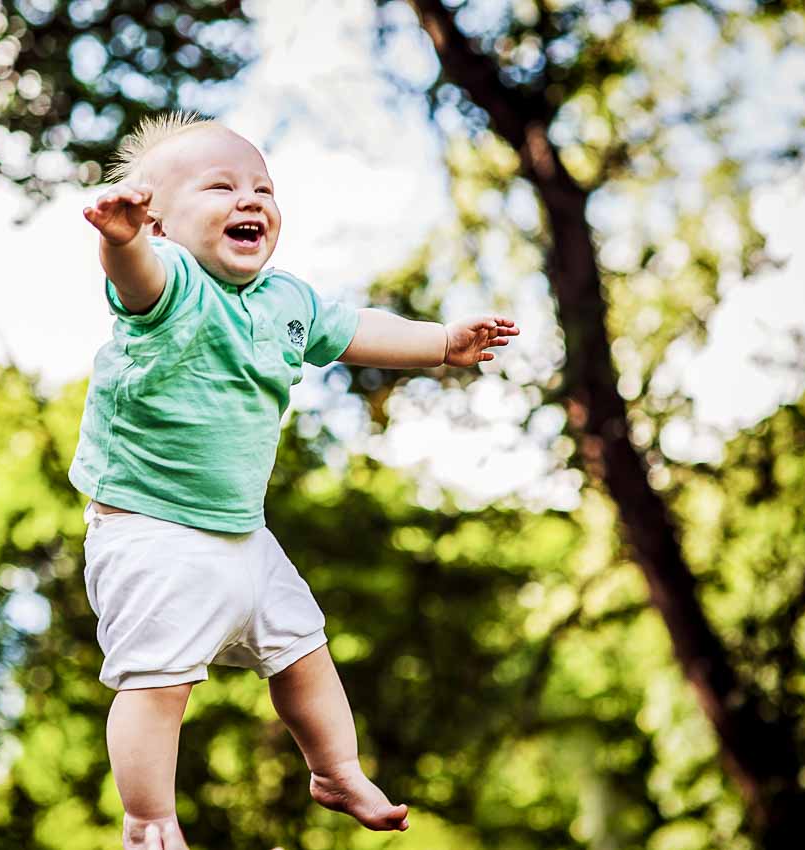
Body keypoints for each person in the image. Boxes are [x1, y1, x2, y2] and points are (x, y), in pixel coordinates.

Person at [70, 112, 519, 850]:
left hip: (244, 534)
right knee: (159, 684)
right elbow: (137, 278)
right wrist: (119, 242)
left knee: (304, 649)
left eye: (263, 188)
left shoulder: (287, 301)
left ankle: (336, 768)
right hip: (151, 532)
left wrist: (442, 343)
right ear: (161, 222)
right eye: (220, 187)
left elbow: (359, 330)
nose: (250, 200)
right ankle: (148, 819)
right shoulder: (172, 282)